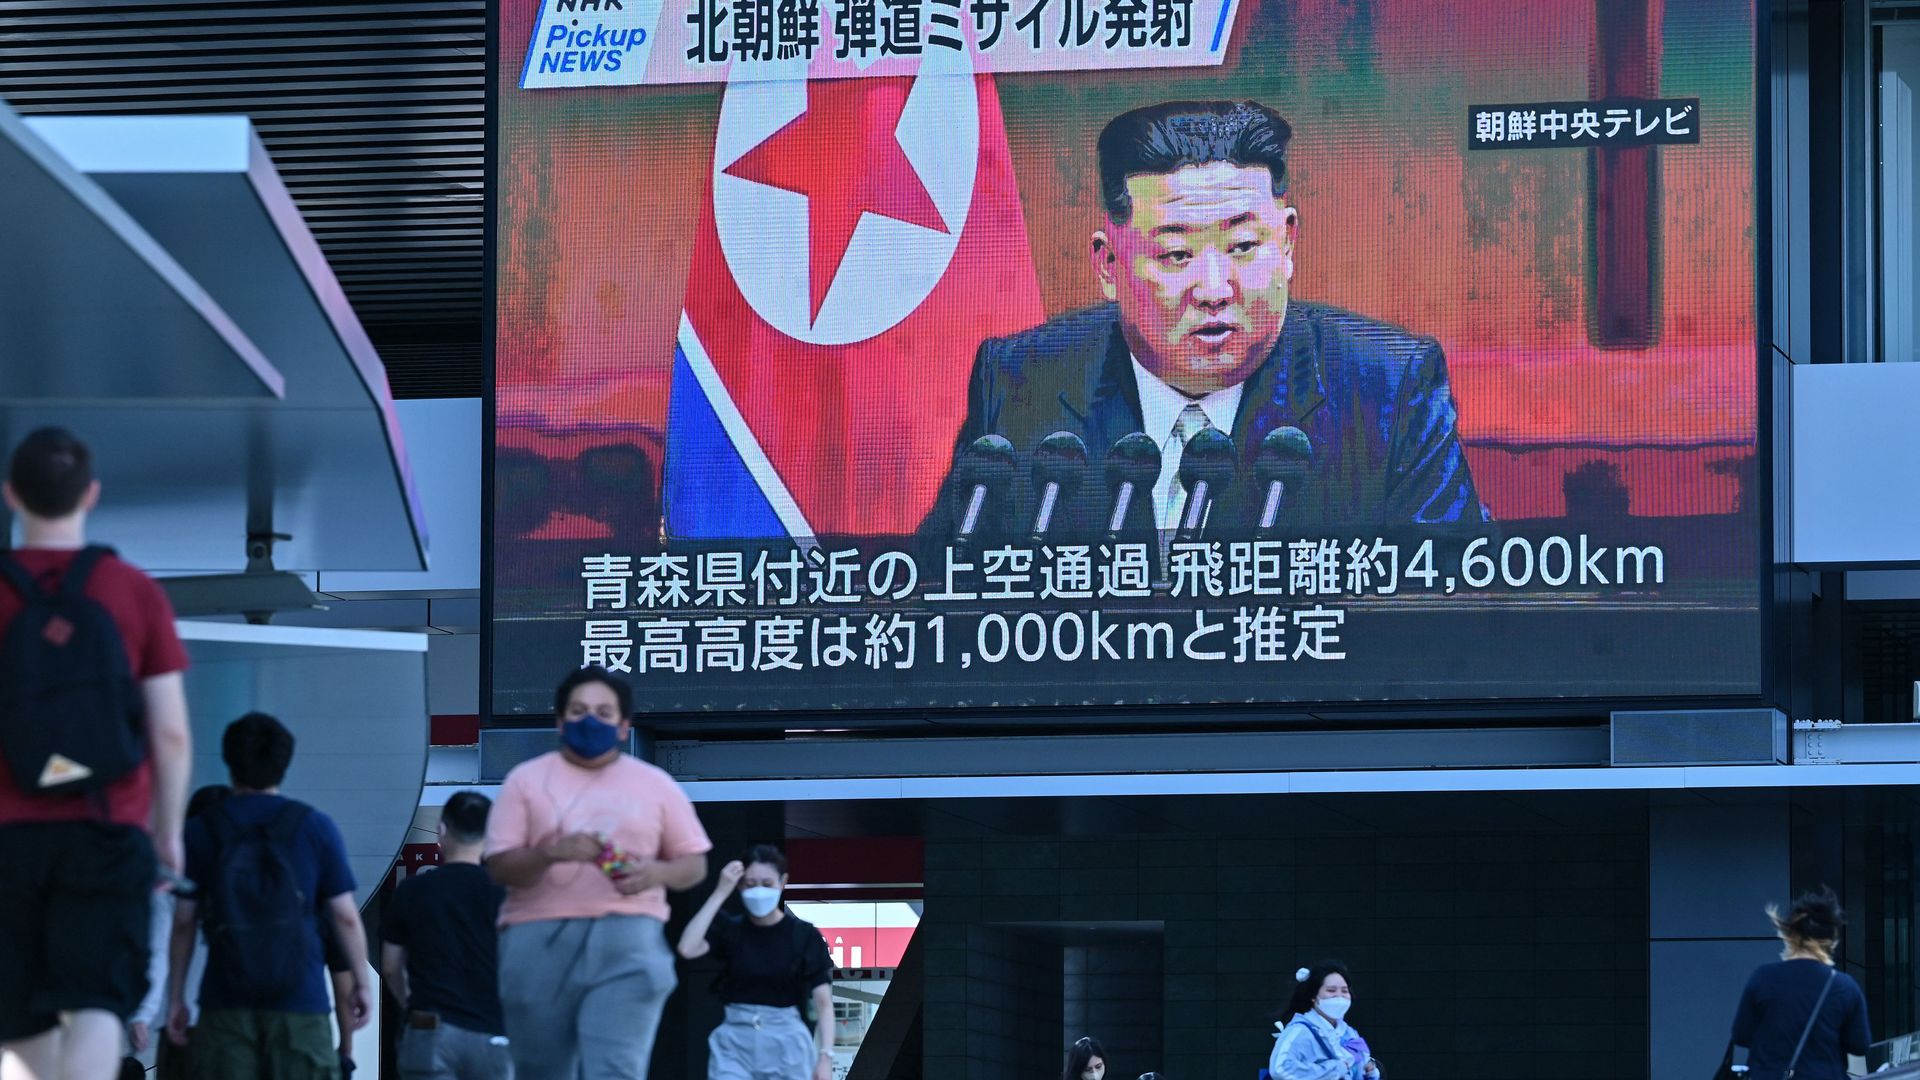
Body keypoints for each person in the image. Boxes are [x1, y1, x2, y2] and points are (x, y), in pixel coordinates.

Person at [926, 101, 1483, 544]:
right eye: (1175, 255)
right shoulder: (1022, 381)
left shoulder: (1388, 387)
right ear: (1108, 264)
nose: (1215, 289)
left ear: (1287, 243)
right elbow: (933, 595)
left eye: (1243, 246)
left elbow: (1459, 615)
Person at [0, 427, 193, 1080]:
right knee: (97, 1004)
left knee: (18, 1015)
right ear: (91, 496)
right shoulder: (133, 590)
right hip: (106, 832)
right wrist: (165, 832)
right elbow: (169, 733)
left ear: (10, 496)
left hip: (6, 840)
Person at [486, 666, 711, 1078]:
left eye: (604, 712)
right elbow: (500, 866)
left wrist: (654, 874)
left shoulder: (655, 784)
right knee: (540, 1070)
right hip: (538, 937)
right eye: (579, 709)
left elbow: (694, 863)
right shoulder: (525, 781)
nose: (590, 720)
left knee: (617, 1069)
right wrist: (552, 853)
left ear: (624, 727)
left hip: (628, 939)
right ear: (559, 720)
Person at [164, 713, 372, 1080]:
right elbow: (345, 917)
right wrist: (362, 983)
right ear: (284, 763)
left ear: (230, 762)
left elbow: (183, 922)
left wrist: (176, 997)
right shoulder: (315, 827)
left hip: (225, 1002)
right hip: (301, 1002)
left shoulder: (199, 831)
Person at [382, 791, 511, 1080]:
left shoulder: (412, 891)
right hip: (493, 1032)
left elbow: (391, 967)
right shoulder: (506, 895)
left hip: (430, 1030)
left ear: (441, 830)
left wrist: (411, 1006)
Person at [676, 845, 834, 1080]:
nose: (759, 891)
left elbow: (823, 1002)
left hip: (786, 1039)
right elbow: (687, 947)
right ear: (740, 884)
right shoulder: (730, 929)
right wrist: (719, 892)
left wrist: (825, 1057)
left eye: (767, 884)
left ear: (782, 882)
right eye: (750, 884)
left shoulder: (804, 936)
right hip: (735, 1039)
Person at [1726, 887, 1870, 1080]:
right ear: (1831, 940)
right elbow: (1859, 1045)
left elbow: (1741, 1035)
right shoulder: (1844, 986)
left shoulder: (1763, 978)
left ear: (1790, 935)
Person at [151, 786, 230, 1080]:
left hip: (178, 1018)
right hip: (233, 1017)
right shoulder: (247, 879)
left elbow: (158, 949)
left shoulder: (167, 882)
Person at [1269, 962, 1379, 1080]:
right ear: (1313, 996)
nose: (1339, 996)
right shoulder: (1299, 1031)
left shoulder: (1349, 1032)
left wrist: (1370, 1072)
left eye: (1344, 991)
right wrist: (1335, 1069)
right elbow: (1280, 1069)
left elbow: (1359, 1070)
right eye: (1331, 990)